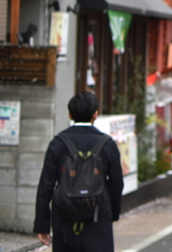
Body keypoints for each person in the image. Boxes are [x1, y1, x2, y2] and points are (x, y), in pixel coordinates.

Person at [34, 91, 123, 252]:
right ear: (95, 114)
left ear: (69, 114)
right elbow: (117, 183)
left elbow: (46, 186)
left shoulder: (58, 143)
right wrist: (112, 214)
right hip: (98, 215)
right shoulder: (107, 144)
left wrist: (42, 224)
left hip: (64, 217)